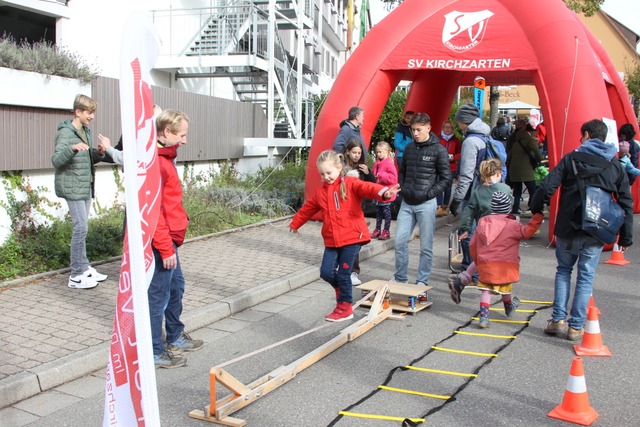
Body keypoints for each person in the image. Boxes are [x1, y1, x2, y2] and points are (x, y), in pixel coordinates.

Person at [530, 119, 633, 341]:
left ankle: (557, 320)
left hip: (568, 226)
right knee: (585, 277)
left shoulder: (571, 158)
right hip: (596, 231)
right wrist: (626, 236)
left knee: (563, 271)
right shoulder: (615, 165)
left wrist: (536, 207)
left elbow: (548, 186)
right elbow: (626, 202)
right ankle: (576, 327)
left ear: (586, 135)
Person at [289, 150, 401, 322]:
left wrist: (384, 192)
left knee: (344, 274)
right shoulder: (321, 192)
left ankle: (345, 307)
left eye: (329, 172)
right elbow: (308, 208)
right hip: (332, 240)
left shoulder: (350, 183)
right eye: (322, 174)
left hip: (352, 238)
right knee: (326, 272)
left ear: (339, 168)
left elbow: (368, 188)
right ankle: (341, 289)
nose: (326, 176)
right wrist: (295, 223)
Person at [149, 109, 204, 368]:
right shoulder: (157, 163)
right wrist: (164, 248)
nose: (184, 140)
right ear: (167, 132)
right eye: (181, 135)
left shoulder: (166, 156)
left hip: (171, 237)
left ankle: (174, 335)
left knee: (176, 287)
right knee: (158, 295)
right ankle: (153, 350)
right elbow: (154, 210)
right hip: (163, 240)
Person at [448, 191, 543, 328]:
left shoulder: (482, 223)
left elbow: (473, 244)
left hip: (487, 264)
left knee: (486, 290)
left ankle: (484, 318)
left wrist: (479, 260)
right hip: (506, 266)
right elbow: (526, 233)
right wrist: (537, 218)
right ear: (508, 208)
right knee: (505, 286)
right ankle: (508, 307)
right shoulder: (513, 225)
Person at [51, 94, 108, 289]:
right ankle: (75, 275)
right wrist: (72, 148)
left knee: (83, 228)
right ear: (78, 112)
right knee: (80, 228)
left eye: (92, 113)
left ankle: (84, 268)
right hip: (73, 187)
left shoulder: (85, 130)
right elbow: (57, 160)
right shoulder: (66, 133)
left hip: (85, 185)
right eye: (89, 113)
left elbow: (86, 157)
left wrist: (98, 153)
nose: (92, 116)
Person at [393, 113, 451, 301]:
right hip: (407, 202)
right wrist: (403, 188)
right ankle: (400, 277)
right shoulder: (409, 148)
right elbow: (403, 171)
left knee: (426, 246)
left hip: (426, 203)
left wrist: (430, 194)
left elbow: (446, 177)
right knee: (400, 242)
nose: (415, 133)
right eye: (413, 130)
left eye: (418, 129)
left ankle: (422, 281)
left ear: (428, 128)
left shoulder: (438, 150)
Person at [448, 103, 490, 272]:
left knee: (467, 233)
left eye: (459, 120)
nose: (458, 124)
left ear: (464, 121)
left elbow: (466, 175)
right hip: (485, 191)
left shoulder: (471, 141)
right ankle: (480, 270)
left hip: (472, 193)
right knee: (480, 233)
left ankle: (470, 272)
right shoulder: (485, 136)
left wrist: (456, 199)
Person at [342, 138, 375, 285]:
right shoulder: (341, 168)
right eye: (354, 152)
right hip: (343, 209)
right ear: (348, 152)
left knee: (355, 242)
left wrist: (368, 173)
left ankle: (353, 271)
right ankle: (344, 268)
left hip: (358, 209)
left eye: (359, 153)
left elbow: (372, 185)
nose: (356, 155)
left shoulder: (362, 168)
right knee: (345, 241)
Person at [506, 119, 544, 215]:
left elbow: (509, 156)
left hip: (514, 170)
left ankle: (515, 212)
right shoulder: (530, 140)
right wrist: (540, 160)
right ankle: (535, 210)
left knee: (517, 193)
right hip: (526, 170)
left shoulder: (516, 141)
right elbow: (539, 155)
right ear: (531, 132)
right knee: (533, 191)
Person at [371, 141, 398, 241]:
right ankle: (377, 229)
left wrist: (381, 176)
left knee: (386, 213)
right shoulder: (377, 163)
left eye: (380, 152)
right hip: (378, 193)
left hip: (387, 193)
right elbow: (373, 173)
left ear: (387, 152)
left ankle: (386, 230)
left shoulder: (389, 164)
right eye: (377, 152)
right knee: (378, 212)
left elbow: (393, 178)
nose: (378, 154)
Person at [436, 120, 462, 217]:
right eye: (445, 127)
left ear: (452, 129)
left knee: (448, 187)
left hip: (451, 167)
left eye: (449, 127)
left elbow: (459, 154)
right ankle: (438, 206)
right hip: (439, 166)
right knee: (439, 186)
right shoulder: (438, 139)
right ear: (443, 128)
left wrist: (452, 157)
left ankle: (445, 206)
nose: (447, 129)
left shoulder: (456, 140)